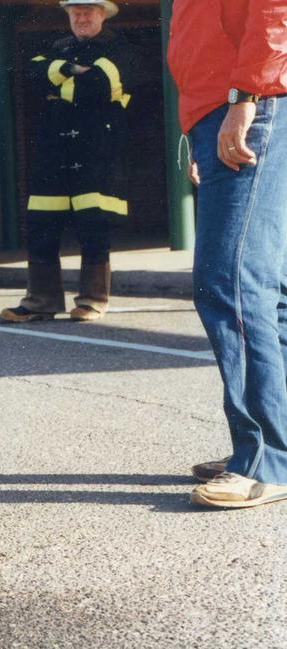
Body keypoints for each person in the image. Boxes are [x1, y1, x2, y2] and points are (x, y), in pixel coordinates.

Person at [168, 1, 287, 508]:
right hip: (228, 103)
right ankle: (273, 445)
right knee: (265, 288)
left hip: (251, 100)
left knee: (231, 280)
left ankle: (265, 457)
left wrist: (243, 98)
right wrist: (200, 123)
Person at [1, 0, 136, 323]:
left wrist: (56, 78)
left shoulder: (118, 47)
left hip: (95, 151)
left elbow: (101, 85)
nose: (81, 17)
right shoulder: (58, 46)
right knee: (42, 226)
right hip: (53, 150)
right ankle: (40, 301)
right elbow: (30, 72)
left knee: (94, 225)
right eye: (75, 12)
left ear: (103, 14)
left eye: (88, 11)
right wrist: (69, 71)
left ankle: (92, 299)